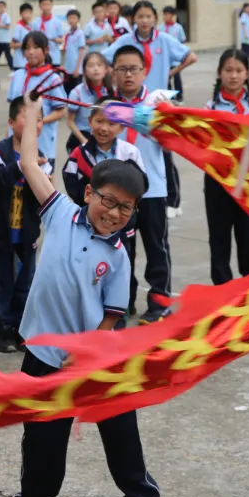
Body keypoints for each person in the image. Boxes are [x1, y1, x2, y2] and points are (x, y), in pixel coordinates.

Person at [8, 94, 169, 497]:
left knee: (121, 433)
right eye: (108, 201)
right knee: (41, 439)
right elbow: (29, 162)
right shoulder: (58, 211)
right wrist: (35, 113)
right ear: (88, 194)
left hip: (95, 359)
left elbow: (112, 317)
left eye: (125, 208)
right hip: (43, 355)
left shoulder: (118, 257)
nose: (113, 213)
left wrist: (87, 355)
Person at [104, 1, 195, 219]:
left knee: (164, 154)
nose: (144, 21)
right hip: (129, 102)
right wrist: (113, 81)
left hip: (155, 106)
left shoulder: (164, 40)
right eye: (140, 17)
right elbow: (104, 59)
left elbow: (191, 56)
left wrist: (171, 73)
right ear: (134, 19)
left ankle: (172, 200)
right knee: (128, 150)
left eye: (148, 16)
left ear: (155, 18)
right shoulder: (125, 42)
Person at [0, 98, 49, 353]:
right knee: (0, 284)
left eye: (39, 119)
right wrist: (21, 166)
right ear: (11, 123)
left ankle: (22, 329)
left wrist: (43, 181)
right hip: (0, 233)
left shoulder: (41, 157)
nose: (35, 123)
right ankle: (3, 330)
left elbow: (45, 197)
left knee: (26, 284)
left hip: (27, 233)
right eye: (28, 117)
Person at [112, 45, 172, 322]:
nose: (128, 75)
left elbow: (170, 140)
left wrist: (160, 117)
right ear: (113, 73)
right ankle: (123, 300)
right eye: (122, 69)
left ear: (144, 72)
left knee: (156, 247)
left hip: (153, 189)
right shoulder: (109, 107)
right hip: (119, 193)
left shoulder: (158, 104)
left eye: (133, 69)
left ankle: (159, 301)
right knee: (121, 250)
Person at [205, 49, 249, 284]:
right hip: (218, 180)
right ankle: (222, 290)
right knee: (219, 238)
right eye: (228, 70)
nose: (233, 76)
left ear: (247, 74)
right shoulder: (209, 107)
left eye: (239, 70)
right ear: (219, 74)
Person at [63, 97, 147, 207]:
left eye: (111, 124)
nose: (104, 128)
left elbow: (141, 183)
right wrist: (87, 201)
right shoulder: (79, 153)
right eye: (99, 121)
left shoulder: (130, 153)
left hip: (119, 215)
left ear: (121, 127)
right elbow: (70, 179)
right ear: (90, 121)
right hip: (88, 213)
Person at [7, 32, 65, 165]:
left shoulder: (52, 78)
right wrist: (8, 136)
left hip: (42, 142)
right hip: (16, 143)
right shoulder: (17, 76)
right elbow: (12, 112)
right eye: (27, 48)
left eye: (36, 47)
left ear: (46, 50)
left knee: (44, 182)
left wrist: (35, 122)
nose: (31, 52)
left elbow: (61, 111)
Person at [65, 51, 114, 152]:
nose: (95, 68)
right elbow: (70, 121)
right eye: (91, 65)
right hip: (82, 137)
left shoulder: (112, 91)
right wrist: (84, 141)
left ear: (106, 70)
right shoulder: (77, 93)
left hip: (105, 137)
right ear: (84, 71)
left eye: (99, 65)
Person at [32, 0, 66, 67]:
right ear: (40, 6)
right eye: (44, 4)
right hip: (40, 58)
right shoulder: (36, 23)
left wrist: (53, 38)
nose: (46, 7)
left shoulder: (57, 22)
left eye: (48, 4)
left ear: (51, 6)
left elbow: (61, 41)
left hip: (54, 57)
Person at [162, 6, 187, 100]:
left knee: (177, 77)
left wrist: (181, 55)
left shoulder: (178, 28)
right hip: (165, 58)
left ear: (172, 15)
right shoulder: (161, 28)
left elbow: (182, 41)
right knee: (166, 78)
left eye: (167, 14)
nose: (165, 17)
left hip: (175, 59)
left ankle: (179, 96)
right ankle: (169, 96)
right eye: (164, 14)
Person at [60, 9, 86, 93]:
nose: (71, 20)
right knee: (67, 90)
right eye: (70, 18)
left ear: (78, 20)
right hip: (68, 69)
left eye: (74, 18)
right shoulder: (68, 34)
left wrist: (77, 68)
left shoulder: (80, 34)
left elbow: (81, 51)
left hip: (76, 69)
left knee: (77, 91)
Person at [10, 3, 33, 70]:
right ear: (21, 14)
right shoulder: (19, 27)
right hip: (20, 63)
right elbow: (12, 45)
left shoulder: (31, 26)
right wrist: (25, 44)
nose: (28, 15)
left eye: (30, 13)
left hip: (29, 62)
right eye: (26, 12)